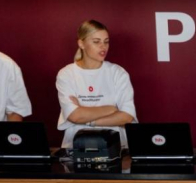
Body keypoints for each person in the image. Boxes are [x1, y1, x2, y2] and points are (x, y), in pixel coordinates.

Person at [55, 20, 136, 148]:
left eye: (106, 41)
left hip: (115, 148)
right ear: (81, 43)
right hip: (76, 148)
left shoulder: (118, 72)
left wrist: (89, 121)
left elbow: (126, 116)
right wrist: (111, 109)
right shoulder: (66, 74)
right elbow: (75, 116)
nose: (103, 47)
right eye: (96, 41)